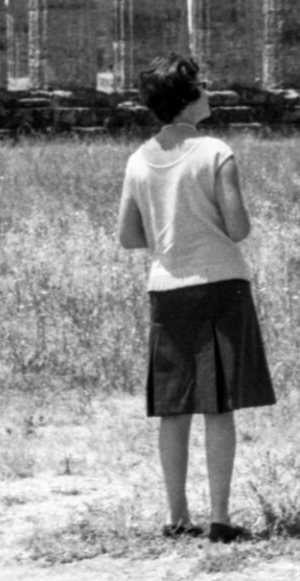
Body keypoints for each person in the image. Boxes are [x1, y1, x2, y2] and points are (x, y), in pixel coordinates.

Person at [117, 54, 276, 543]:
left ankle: (176, 515)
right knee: (219, 407)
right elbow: (238, 227)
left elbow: (128, 236)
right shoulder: (214, 150)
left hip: (167, 288)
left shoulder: (138, 158)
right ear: (187, 99)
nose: (210, 93)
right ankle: (222, 518)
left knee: (173, 408)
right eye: (202, 88)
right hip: (221, 283)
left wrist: (171, 235)